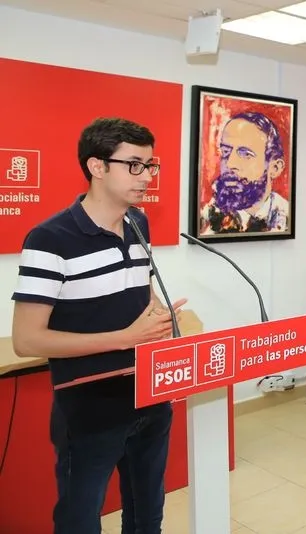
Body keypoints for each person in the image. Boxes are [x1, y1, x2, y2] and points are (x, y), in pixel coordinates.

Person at [11, 118, 187, 534]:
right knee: (79, 521)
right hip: (90, 410)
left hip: (149, 396)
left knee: (147, 518)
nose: (146, 177)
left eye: (151, 165)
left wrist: (160, 314)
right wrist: (125, 338)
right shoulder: (49, 238)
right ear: (97, 166)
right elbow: (26, 339)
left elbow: (139, 292)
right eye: (134, 165)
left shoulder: (137, 224)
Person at [199, 112, 289, 234]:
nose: (230, 164)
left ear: (275, 168)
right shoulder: (205, 221)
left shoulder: (287, 215)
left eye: (246, 154)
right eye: (225, 152)